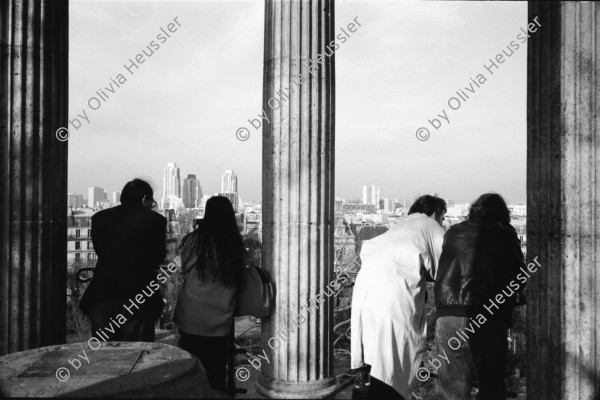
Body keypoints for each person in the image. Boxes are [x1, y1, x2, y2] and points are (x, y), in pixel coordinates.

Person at [351, 195, 447, 400]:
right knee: (394, 365)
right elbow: (445, 270)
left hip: (365, 293)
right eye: (443, 218)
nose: (442, 223)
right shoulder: (429, 224)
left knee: (377, 361)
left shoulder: (398, 228)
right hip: (393, 296)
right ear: (434, 213)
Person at [434, 193, 525, 400]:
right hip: (486, 315)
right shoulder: (505, 234)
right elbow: (520, 276)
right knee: (491, 385)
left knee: (454, 389)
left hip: (448, 316)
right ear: (503, 214)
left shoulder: (453, 232)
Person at [80, 178, 166, 341]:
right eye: (151, 202)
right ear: (144, 198)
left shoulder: (99, 218)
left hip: (102, 295)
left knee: (105, 356)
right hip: (138, 294)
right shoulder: (155, 220)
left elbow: (101, 251)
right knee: (136, 357)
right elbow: (158, 256)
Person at [175, 196, 245, 391]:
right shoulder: (233, 244)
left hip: (192, 314)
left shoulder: (195, 241)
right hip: (221, 318)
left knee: (190, 372)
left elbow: (181, 267)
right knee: (215, 375)